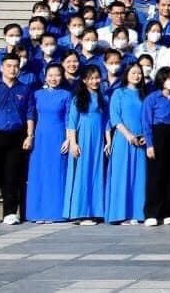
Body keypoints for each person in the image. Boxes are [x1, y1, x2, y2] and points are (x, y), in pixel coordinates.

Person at [0, 53, 34, 225]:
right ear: (2, 68)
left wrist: (29, 136)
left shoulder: (25, 89)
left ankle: (10, 212)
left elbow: (30, 114)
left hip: (17, 135)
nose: (13, 69)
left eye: (16, 66)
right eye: (9, 66)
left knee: (12, 176)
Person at [26, 63, 70, 223]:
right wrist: (30, 135)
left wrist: (68, 139)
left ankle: (55, 212)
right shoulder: (37, 94)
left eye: (57, 75)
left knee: (56, 173)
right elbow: (31, 115)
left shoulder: (66, 95)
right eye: (50, 75)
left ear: (62, 77)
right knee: (40, 172)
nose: (53, 78)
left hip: (58, 136)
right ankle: (37, 213)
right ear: (45, 77)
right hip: (40, 137)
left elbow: (69, 118)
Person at [64, 65, 108, 224]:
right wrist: (73, 143)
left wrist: (108, 141)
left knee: (96, 172)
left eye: (97, 78)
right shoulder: (78, 98)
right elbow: (72, 122)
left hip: (98, 140)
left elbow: (107, 122)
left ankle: (95, 211)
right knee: (82, 173)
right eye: (91, 78)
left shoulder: (103, 98)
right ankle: (81, 212)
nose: (95, 81)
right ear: (84, 80)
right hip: (83, 138)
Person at [105, 62, 147, 224]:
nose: (137, 76)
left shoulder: (144, 94)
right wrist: (128, 135)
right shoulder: (119, 93)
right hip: (123, 139)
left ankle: (137, 213)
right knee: (122, 175)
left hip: (141, 141)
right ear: (127, 74)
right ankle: (120, 214)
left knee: (139, 176)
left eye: (139, 73)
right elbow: (115, 117)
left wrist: (145, 135)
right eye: (133, 73)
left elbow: (148, 117)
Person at [141, 65, 170, 225]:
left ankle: (167, 211)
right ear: (161, 80)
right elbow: (146, 122)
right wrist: (149, 144)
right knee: (155, 176)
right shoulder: (152, 98)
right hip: (157, 134)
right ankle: (152, 213)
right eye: (168, 78)